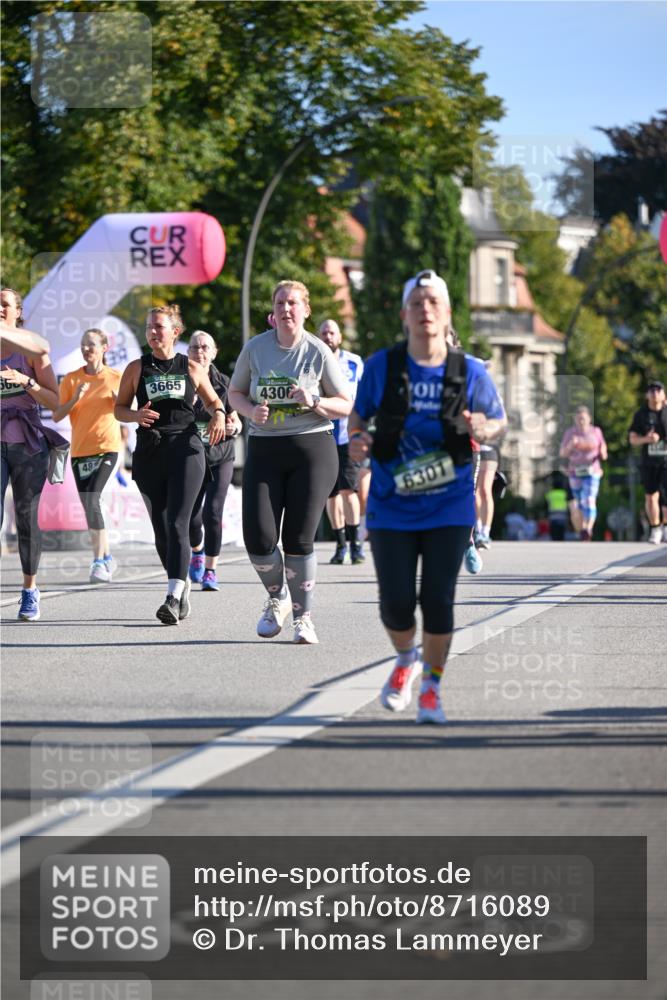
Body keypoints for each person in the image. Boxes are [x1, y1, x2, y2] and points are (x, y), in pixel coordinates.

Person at [349, 269, 506, 724]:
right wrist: (358, 440)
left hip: (449, 503)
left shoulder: (469, 371)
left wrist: (484, 427)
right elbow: (358, 419)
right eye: (417, 303)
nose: (425, 310)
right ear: (404, 315)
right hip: (391, 503)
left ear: (447, 313)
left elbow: (498, 420)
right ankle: (405, 660)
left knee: (437, 599)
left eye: (433, 302)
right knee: (395, 603)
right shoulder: (383, 366)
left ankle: (432, 685)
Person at [228, 280, 352, 644]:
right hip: (266, 448)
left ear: (305, 310)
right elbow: (233, 392)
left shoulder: (318, 352)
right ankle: (277, 596)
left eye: (293, 303)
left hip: (313, 449)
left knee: (298, 537)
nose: (286, 309)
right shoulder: (255, 349)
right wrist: (251, 409)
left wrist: (315, 400)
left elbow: (345, 404)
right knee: (258, 538)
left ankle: (303, 617)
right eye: (280, 303)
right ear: (273, 310)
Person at [114, 305, 226, 624]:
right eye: (149, 327)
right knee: (162, 532)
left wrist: (218, 415)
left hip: (186, 448)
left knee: (178, 523)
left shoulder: (190, 366)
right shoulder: (137, 368)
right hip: (150, 452)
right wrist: (135, 415)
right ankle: (181, 582)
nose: (152, 332)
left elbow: (214, 402)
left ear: (175, 332)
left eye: (159, 327)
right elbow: (118, 409)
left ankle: (172, 596)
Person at [1, 287, 66, 620]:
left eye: (4, 304)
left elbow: (55, 402)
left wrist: (24, 381)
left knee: (26, 517)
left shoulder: (32, 349)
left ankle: (29, 590)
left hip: (27, 443)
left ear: (17, 312)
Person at [52, 329, 122, 583]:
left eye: (91, 344)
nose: (86, 349)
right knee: (89, 506)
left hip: (107, 447)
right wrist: (76, 399)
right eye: (83, 345)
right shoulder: (71, 380)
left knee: (93, 498)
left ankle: (99, 561)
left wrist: (120, 404)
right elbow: (58, 415)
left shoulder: (116, 377)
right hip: (81, 451)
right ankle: (107, 556)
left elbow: (131, 412)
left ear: (104, 347)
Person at [186, 330, 242, 590]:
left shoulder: (224, 382)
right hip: (192, 457)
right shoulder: (181, 382)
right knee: (192, 516)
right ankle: (197, 551)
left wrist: (234, 427)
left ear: (214, 352)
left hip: (221, 456)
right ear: (188, 352)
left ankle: (210, 570)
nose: (200, 352)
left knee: (213, 512)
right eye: (195, 347)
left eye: (205, 347)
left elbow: (237, 420)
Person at [317, 318, 366, 565]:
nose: (328, 336)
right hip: (322, 434)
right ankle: (340, 544)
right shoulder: (313, 360)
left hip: (349, 434)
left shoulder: (355, 362)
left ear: (339, 337)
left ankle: (356, 543)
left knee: (349, 489)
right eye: (324, 332)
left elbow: (366, 395)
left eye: (332, 332)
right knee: (330, 493)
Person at [559, 405, 607, 541]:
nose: (581, 421)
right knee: (579, 502)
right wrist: (570, 446)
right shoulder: (570, 433)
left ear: (589, 419)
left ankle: (587, 528)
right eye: (579, 418)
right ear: (575, 419)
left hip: (592, 470)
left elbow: (603, 447)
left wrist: (603, 452)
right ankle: (581, 529)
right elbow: (562, 453)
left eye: (584, 419)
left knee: (589, 499)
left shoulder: (596, 432)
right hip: (575, 472)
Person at [629, 380, 667, 544]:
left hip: (666, 461)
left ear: (664, 394)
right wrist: (647, 439)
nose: (654, 393)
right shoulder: (641, 415)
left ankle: (666, 526)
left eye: (658, 390)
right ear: (647, 395)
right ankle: (655, 528)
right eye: (651, 390)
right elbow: (632, 439)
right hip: (649, 462)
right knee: (651, 497)